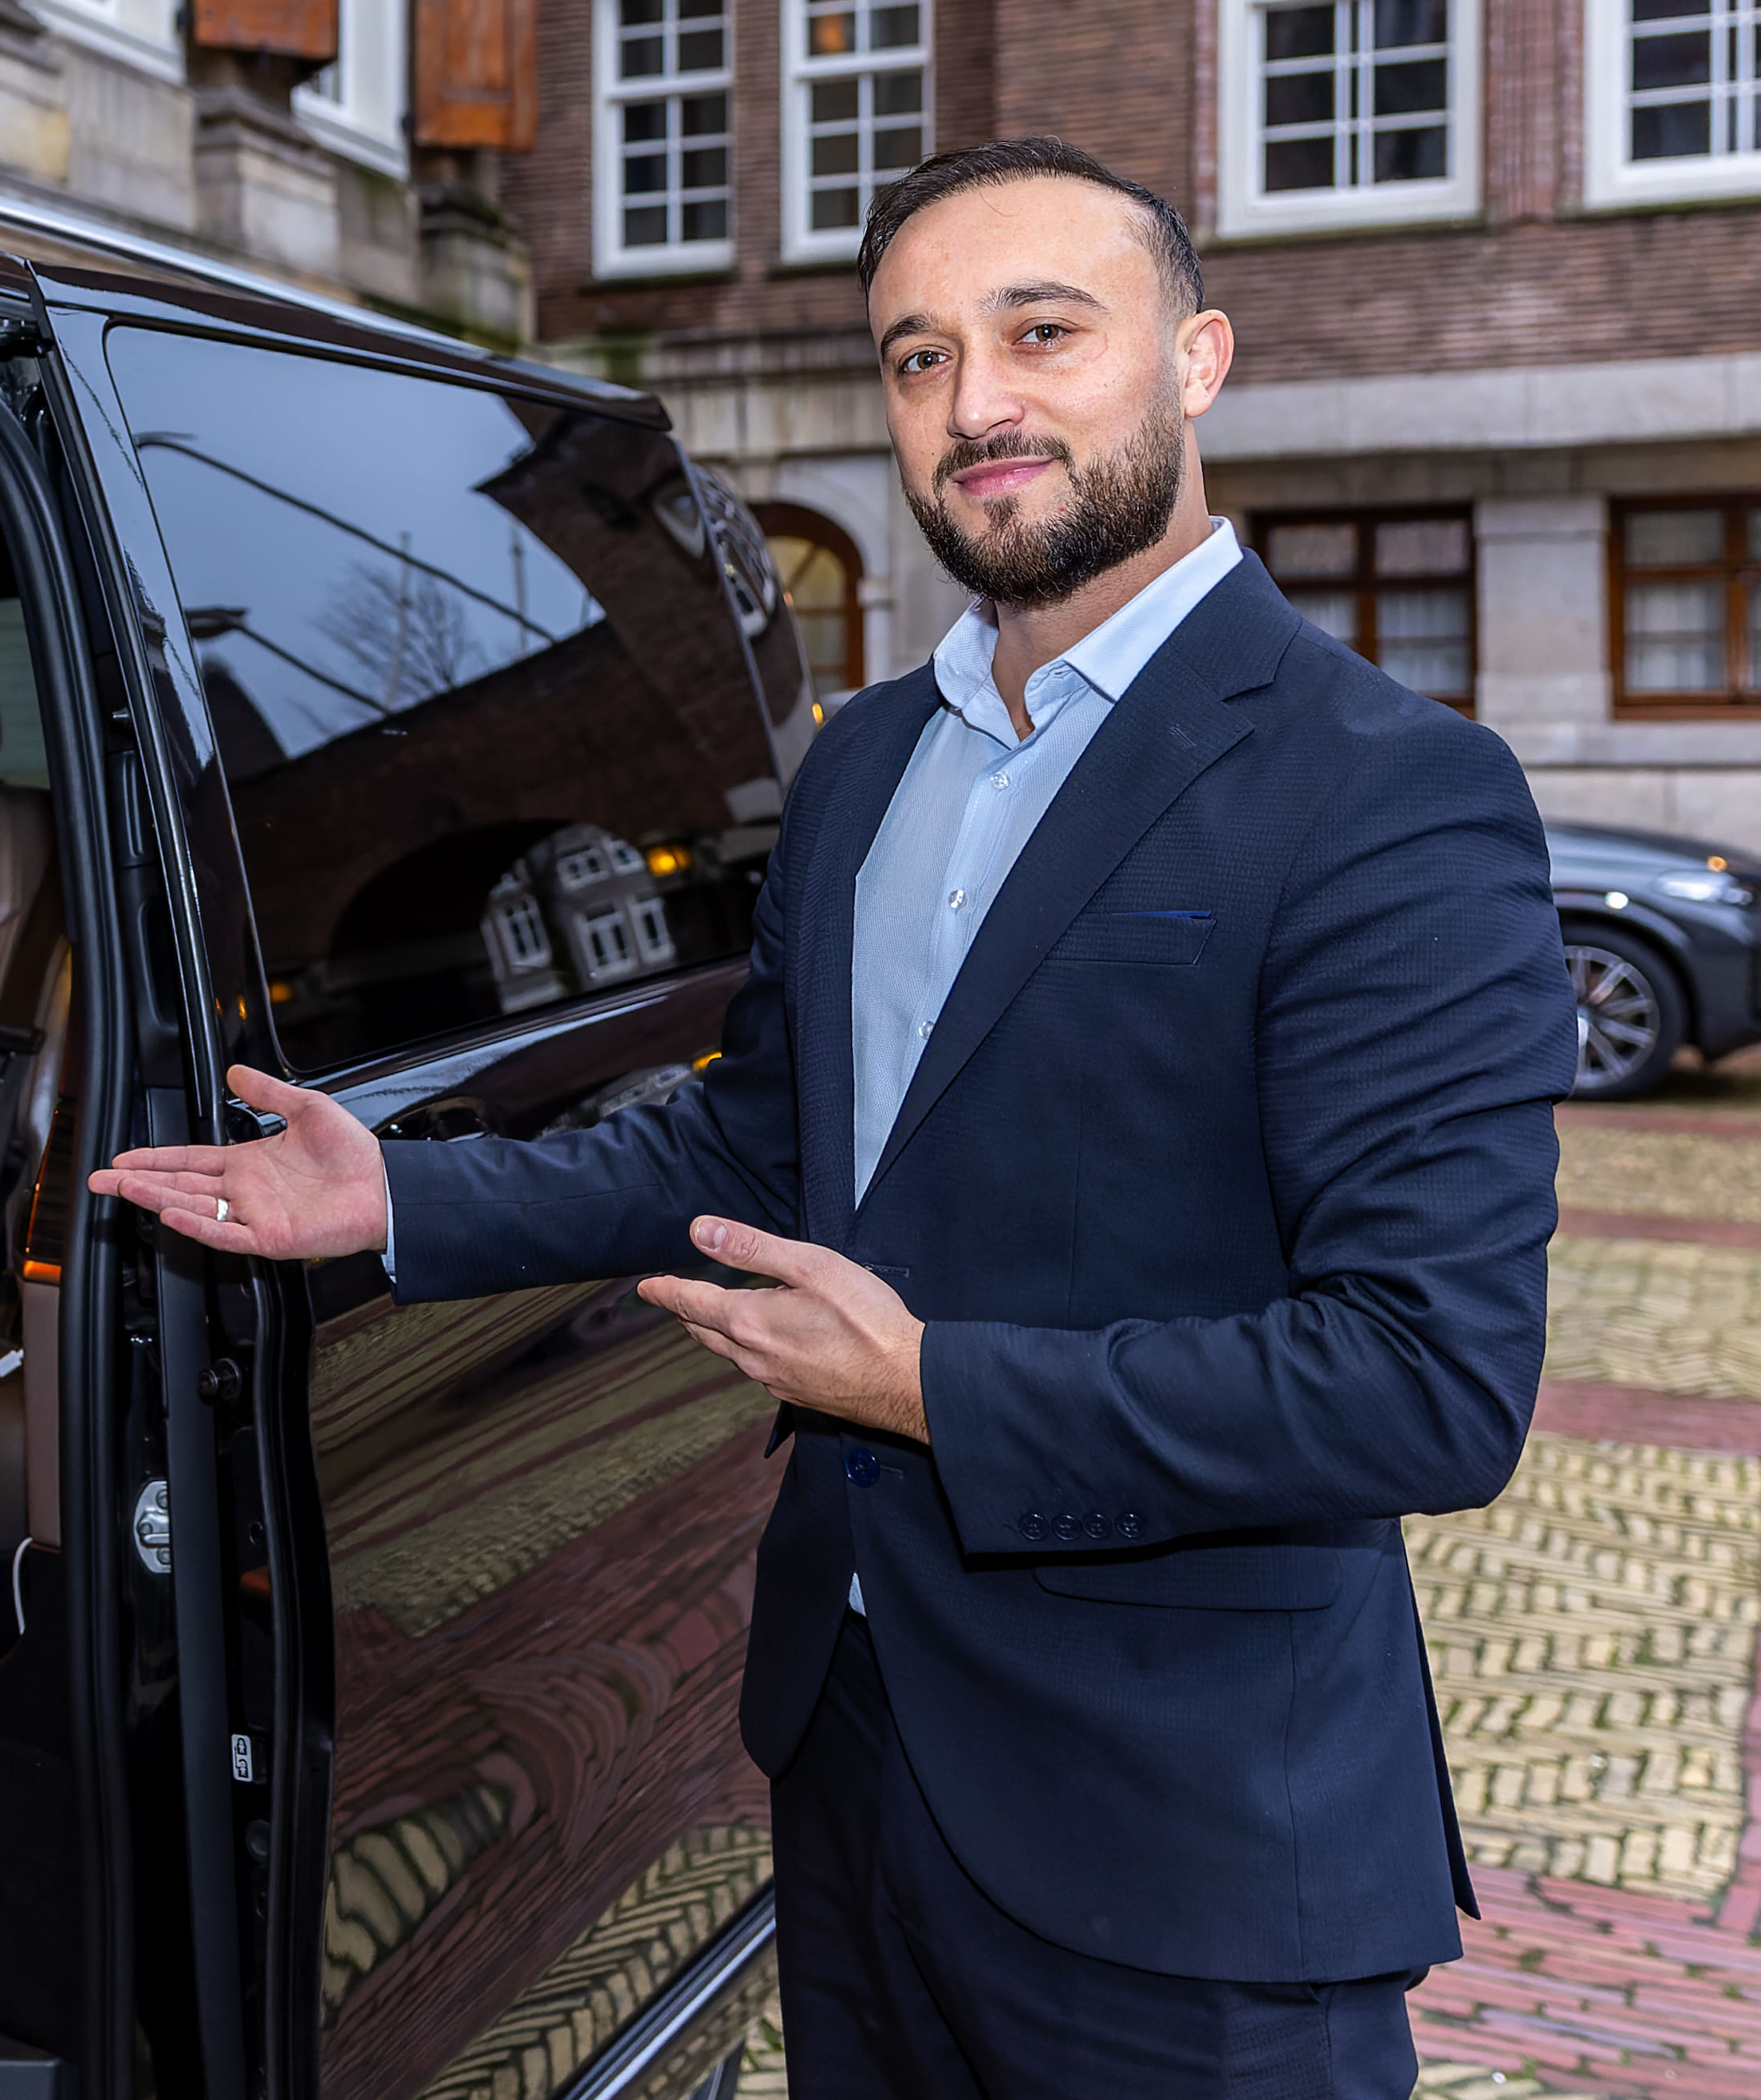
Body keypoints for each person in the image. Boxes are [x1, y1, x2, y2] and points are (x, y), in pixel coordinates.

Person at [90, 137, 1569, 2098]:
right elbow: (749, 1150)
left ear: (1197, 359)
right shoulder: (867, 760)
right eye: (916, 358)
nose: (978, 405)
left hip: (1187, 1837)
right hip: (851, 1750)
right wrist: (400, 1201)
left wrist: (929, 1384)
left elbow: (1423, 1383)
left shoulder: (1389, 790)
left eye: (1043, 331)